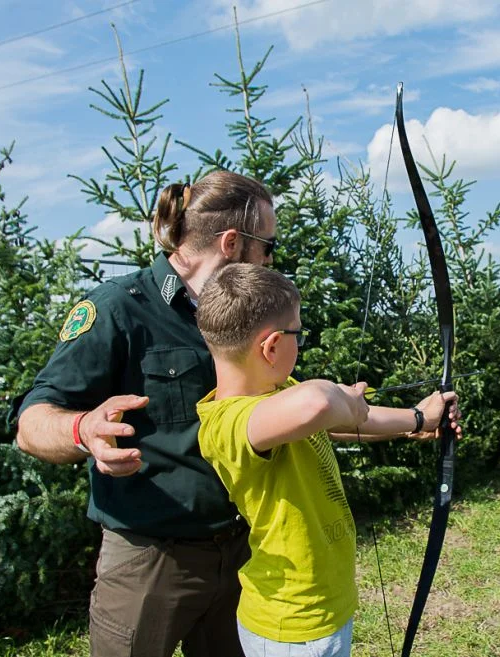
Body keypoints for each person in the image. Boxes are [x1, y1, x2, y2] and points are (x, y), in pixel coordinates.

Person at [15, 170, 278, 657]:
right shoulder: (118, 309)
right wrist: (81, 429)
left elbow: (280, 414)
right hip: (149, 563)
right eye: (268, 245)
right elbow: (31, 423)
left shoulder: (245, 315)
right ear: (231, 242)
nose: (271, 260)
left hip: (243, 553)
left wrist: (412, 419)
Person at [194, 263, 462, 657]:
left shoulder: (276, 391)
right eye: (297, 333)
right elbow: (318, 404)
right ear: (271, 347)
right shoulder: (227, 423)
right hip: (291, 625)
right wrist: (340, 399)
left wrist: (420, 418)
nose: (299, 343)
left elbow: (331, 419)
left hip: (320, 608)